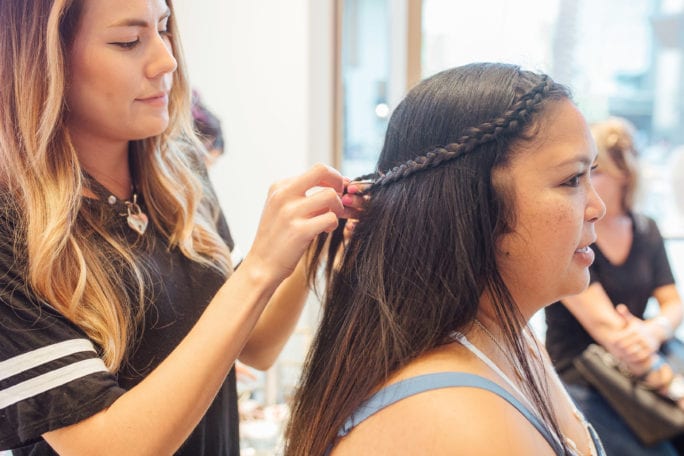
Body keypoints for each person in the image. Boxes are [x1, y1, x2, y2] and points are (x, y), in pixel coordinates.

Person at [0, 1, 362, 454]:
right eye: (128, 41)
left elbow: (255, 346)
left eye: (164, 28)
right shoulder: (13, 227)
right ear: (45, 61)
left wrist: (305, 243)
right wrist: (258, 270)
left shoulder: (181, 173)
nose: (167, 58)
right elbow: (109, 447)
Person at [285, 62, 607, 455]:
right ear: (478, 205)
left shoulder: (513, 339)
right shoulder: (461, 424)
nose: (597, 207)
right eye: (571, 180)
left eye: (592, 174)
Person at [545, 117, 684, 455]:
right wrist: (670, 383)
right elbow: (607, 328)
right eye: (580, 174)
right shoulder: (573, 236)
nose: (587, 183)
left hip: (643, 357)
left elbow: (673, 302)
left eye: (596, 171)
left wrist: (654, 332)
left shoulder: (645, 229)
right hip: (584, 372)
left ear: (625, 174)